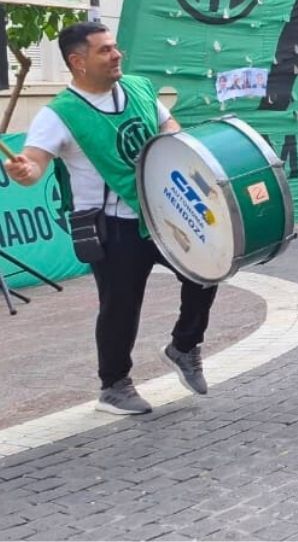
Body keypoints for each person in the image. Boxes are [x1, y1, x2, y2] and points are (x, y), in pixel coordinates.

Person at [2, 22, 216, 414]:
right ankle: (113, 386)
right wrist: (26, 171)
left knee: (207, 269)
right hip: (112, 226)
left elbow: (167, 123)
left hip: (162, 213)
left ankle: (185, 345)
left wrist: (171, 137)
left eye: (115, 47)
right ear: (77, 62)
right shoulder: (60, 114)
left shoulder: (137, 87)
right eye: (105, 50)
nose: (117, 55)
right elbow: (33, 163)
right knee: (121, 306)